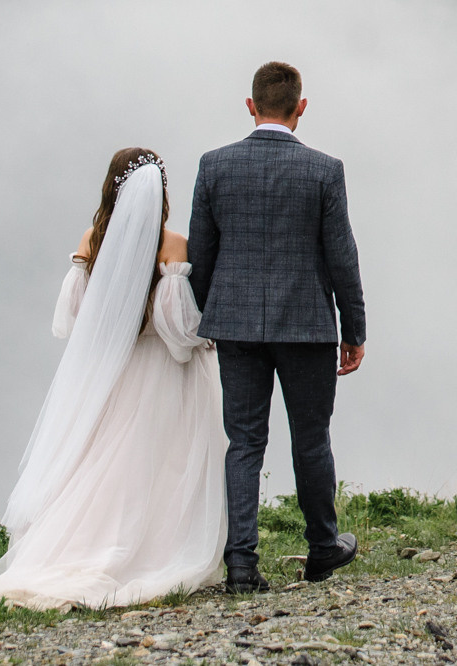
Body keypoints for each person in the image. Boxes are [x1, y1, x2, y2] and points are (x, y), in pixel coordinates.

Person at [0, 149, 226, 611]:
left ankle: (85, 545)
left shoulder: (93, 239)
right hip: (163, 373)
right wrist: (202, 340)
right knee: (159, 461)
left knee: (108, 462)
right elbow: (176, 328)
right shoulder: (172, 245)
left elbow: (75, 319)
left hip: (114, 370)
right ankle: (154, 547)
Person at [191, 60, 367, 592]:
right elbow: (342, 257)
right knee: (310, 440)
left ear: (251, 106)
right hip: (308, 326)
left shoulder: (214, 165)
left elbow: (202, 254)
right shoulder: (324, 169)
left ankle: (241, 564)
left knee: (243, 442)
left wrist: (212, 315)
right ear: (301, 108)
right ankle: (321, 549)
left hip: (236, 327)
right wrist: (353, 330)